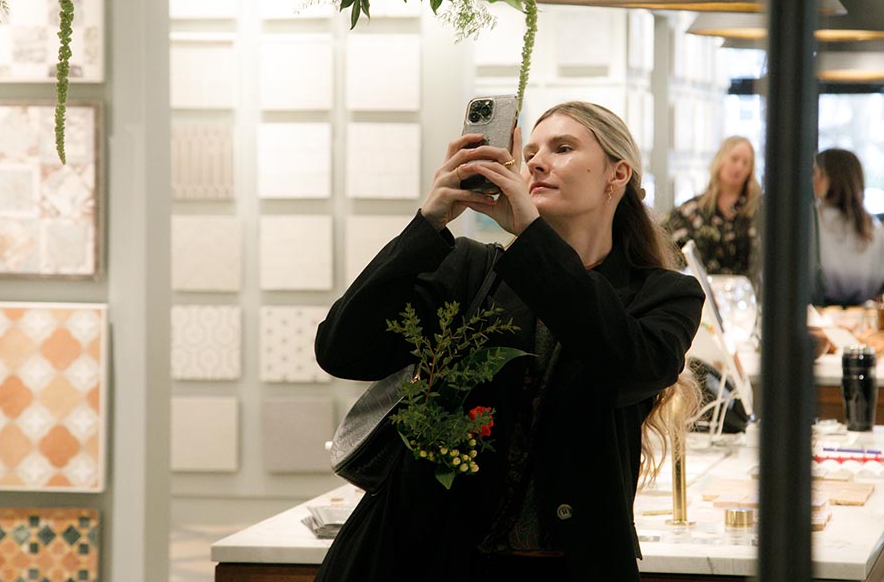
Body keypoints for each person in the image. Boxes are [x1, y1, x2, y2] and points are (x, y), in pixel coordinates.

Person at [314, 101, 704, 582]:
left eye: (563, 149)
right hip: (424, 560)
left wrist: (533, 235)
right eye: (532, 151)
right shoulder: (471, 271)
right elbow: (341, 349)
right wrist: (427, 224)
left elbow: (626, 367)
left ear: (617, 174)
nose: (537, 163)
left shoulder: (663, 296)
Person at [664, 136, 761, 278]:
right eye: (734, 159)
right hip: (706, 295)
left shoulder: (760, 210)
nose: (739, 167)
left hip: (750, 296)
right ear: (720, 161)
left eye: (746, 163)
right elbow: (663, 241)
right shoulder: (693, 211)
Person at [812, 148, 884, 306]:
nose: (813, 180)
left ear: (828, 178)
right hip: (864, 324)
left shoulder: (810, 222)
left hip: (817, 320)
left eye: (816, 173)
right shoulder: (872, 227)